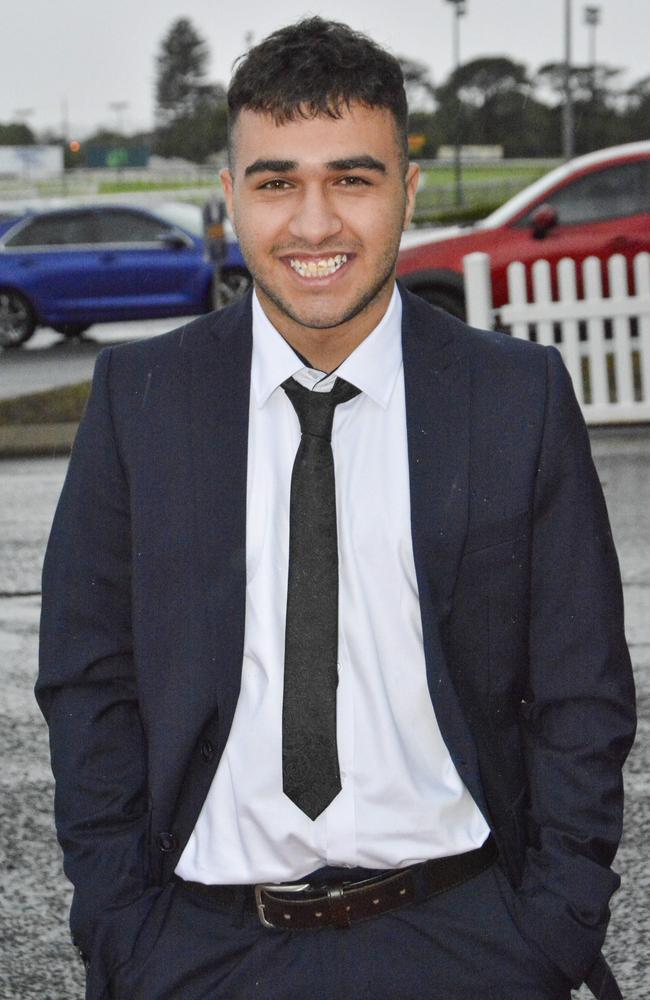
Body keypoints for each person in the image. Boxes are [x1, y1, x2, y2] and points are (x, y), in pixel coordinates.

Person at [37, 17, 636, 1000]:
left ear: (405, 190)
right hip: (199, 948)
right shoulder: (138, 398)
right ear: (228, 201)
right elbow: (86, 679)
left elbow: (582, 690)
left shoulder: (513, 397)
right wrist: (122, 925)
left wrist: (550, 929)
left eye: (350, 179)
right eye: (276, 182)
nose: (313, 223)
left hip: (465, 942)